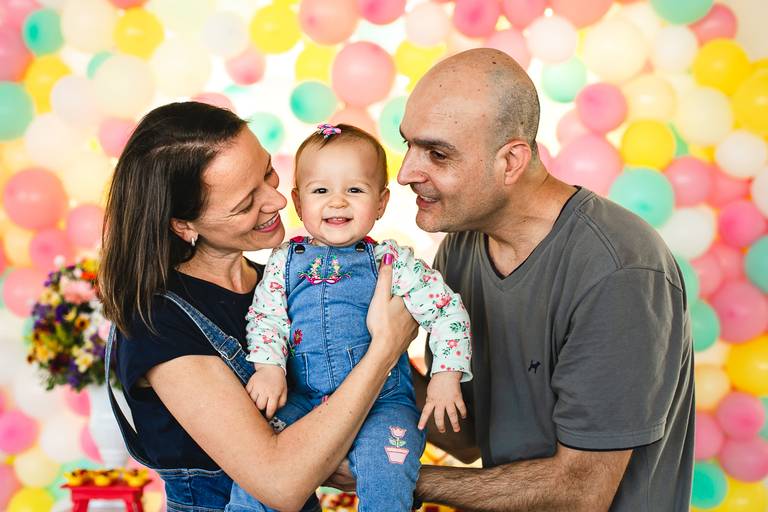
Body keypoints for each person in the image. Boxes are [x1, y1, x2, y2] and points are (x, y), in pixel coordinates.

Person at [393, 48, 693, 510]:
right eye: (408, 145)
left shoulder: (618, 270)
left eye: (437, 154)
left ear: (511, 161)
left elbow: (581, 494)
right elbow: (464, 436)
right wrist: (377, 350)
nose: (405, 174)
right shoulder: (461, 247)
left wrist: (396, 477)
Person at [98, 102, 418, 512]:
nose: (279, 200)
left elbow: (437, 425)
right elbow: (280, 483)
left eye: (268, 172)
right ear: (184, 224)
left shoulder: (284, 283)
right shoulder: (159, 323)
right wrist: (384, 349)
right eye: (246, 202)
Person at [231, 123, 472, 512]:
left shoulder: (393, 263)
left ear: (380, 202)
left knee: (387, 472)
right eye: (321, 191)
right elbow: (266, 317)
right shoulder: (283, 261)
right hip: (304, 398)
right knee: (259, 468)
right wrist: (269, 368)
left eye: (355, 190)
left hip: (383, 403)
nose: (338, 202)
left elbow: (447, 311)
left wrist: (446, 374)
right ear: (298, 202)